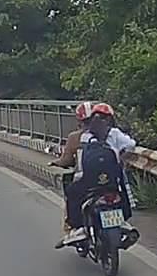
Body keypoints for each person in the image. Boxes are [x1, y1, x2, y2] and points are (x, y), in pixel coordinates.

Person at [50, 101, 136, 248]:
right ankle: (123, 220)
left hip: (89, 181)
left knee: (71, 192)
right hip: (113, 179)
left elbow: (68, 160)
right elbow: (131, 145)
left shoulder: (81, 137)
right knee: (122, 190)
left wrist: (56, 163)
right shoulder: (115, 133)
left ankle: (77, 227)